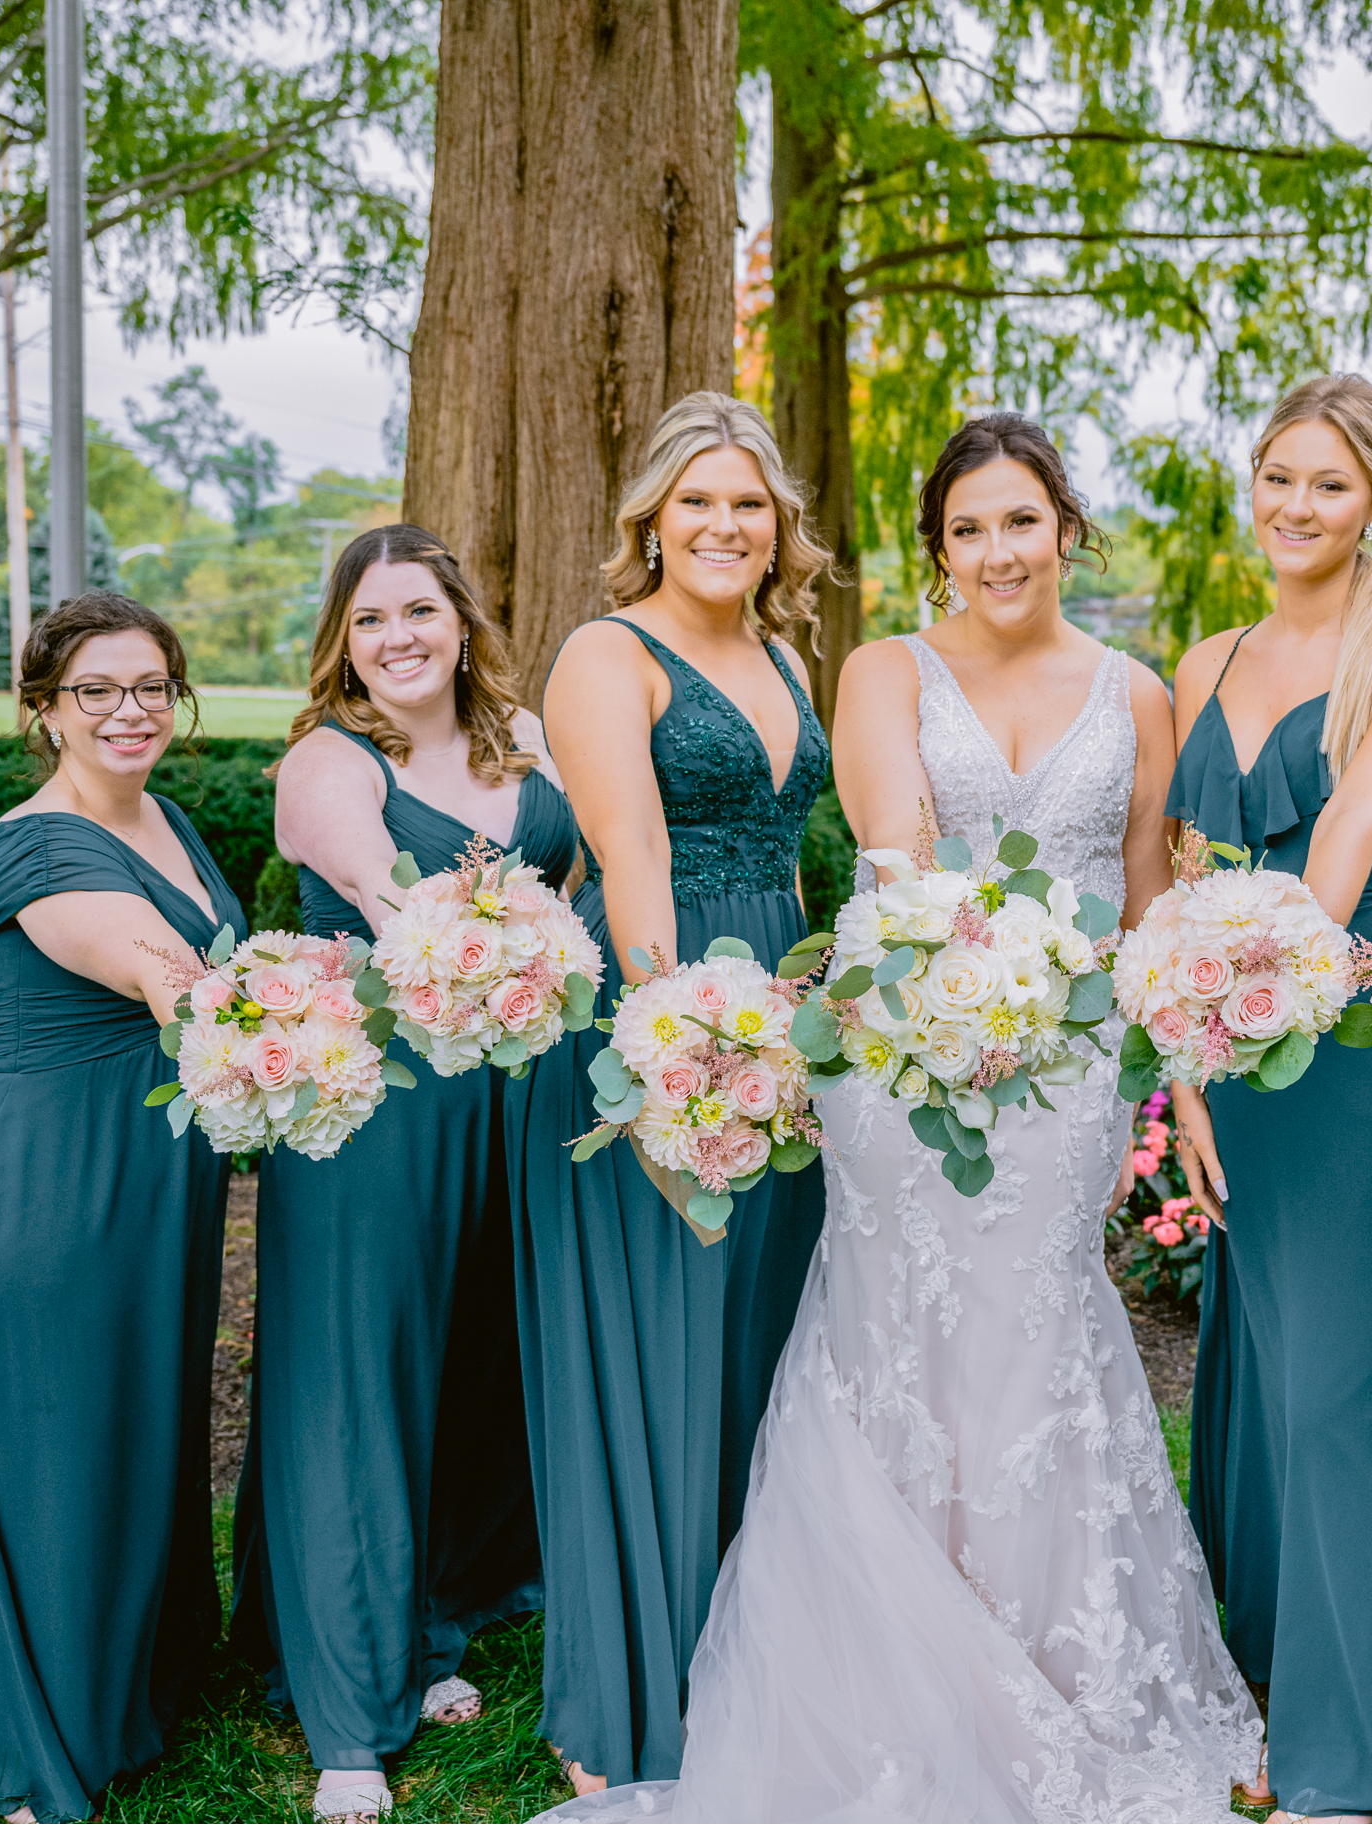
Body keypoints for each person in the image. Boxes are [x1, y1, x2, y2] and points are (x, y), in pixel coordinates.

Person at [532, 412, 1265, 1824]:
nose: (999, 550)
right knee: (899, 1342)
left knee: (1043, 1337)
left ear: (1066, 528)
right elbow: (896, 862)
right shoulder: (878, 669)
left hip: (1072, 1072)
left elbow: (1144, 892)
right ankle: (883, 1673)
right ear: (936, 548)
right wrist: (966, 998)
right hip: (907, 1044)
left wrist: (1166, 1068)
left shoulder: (1137, 692)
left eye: (1022, 520)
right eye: (967, 527)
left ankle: (1074, 1664)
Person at [1166, 374, 1372, 1824]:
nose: (1296, 507)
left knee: (1342, 1392)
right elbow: (1186, 868)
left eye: (1330, 484)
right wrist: (1191, 1068)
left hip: (1364, 1050)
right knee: (1267, 1375)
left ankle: (1345, 1756)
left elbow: (1351, 835)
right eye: (1278, 478)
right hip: (1241, 1046)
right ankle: (1272, 1669)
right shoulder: (1204, 659)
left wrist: (1253, 998)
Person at [0, 593, 245, 1824]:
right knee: (56, 1451)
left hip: (135, 1190)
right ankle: (38, 1745)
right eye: (96, 690)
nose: (129, 711)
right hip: (27, 1196)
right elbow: (151, 963)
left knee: (129, 1430)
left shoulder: (163, 818)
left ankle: (133, 1687)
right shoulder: (38, 849)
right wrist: (247, 1028)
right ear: (43, 709)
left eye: (152, 686)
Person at [231, 525, 572, 1824]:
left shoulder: (524, 738)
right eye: (369, 619)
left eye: (418, 611)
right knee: (358, 1384)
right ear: (343, 641)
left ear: (462, 621)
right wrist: (505, 932)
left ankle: (428, 1620)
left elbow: (583, 885)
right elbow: (393, 902)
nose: (397, 639)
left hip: (509, 1099)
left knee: (471, 1371)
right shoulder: (329, 762)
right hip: (375, 1114)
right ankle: (347, 1719)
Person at [518, 392, 834, 1793]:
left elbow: (794, 857)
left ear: (778, 526)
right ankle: (624, 1699)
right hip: (658, 1018)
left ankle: (746, 1664)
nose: (724, 524)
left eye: (747, 503)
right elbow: (631, 859)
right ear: (651, 518)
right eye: (696, 500)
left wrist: (808, 1027)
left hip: (776, 1015)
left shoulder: (785, 654)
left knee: (757, 1339)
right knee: (652, 1349)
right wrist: (679, 1055)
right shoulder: (607, 654)